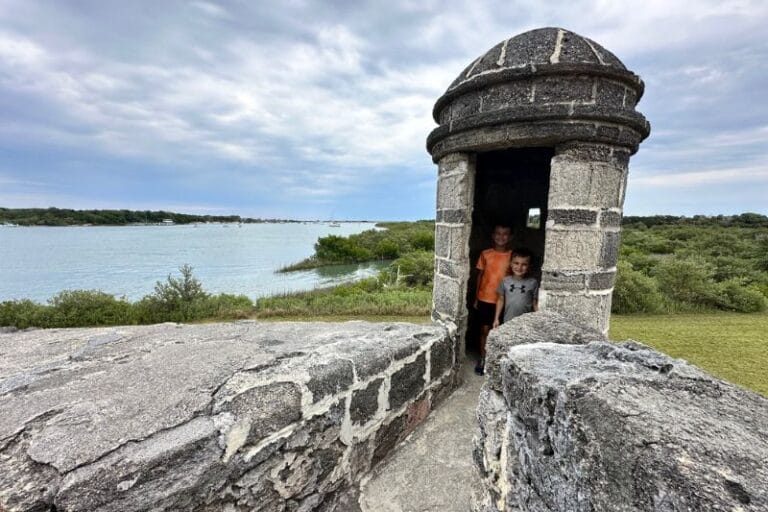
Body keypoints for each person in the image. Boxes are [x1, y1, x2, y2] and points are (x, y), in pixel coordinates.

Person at [473, 225, 512, 375]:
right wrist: (476, 297)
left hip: (504, 299)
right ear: (492, 235)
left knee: (501, 330)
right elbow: (480, 276)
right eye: (498, 233)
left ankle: (497, 362)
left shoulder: (512, 256)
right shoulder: (485, 254)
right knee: (484, 330)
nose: (501, 237)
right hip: (485, 298)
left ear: (510, 237)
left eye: (505, 234)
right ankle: (483, 358)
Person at [493, 247, 539, 329]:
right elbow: (500, 299)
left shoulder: (533, 282)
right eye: (516, 263)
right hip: (508, 321)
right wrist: (496, 318)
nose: (519, 267)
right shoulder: (505, 281)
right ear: (511, 263)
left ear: (529, 266)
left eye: (524, 264)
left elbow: (534, 303)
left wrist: (538, 321)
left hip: (526, 323)